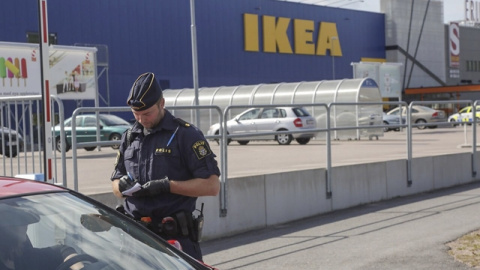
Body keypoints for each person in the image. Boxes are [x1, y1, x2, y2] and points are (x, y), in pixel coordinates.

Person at [111, 72, 220, 261]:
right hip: (134, 241)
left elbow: (212, 186)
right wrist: (120, 186)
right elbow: (115, 181)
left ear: (162, 103)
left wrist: (167, 185)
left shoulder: (185, 135)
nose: (141, 119)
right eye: (136, 114)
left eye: (147, 113)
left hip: (174, 243)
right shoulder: (129, 137)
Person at [0, 204, 83, 270]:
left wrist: (80, 267)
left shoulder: (23, 257)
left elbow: (62, 251)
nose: (26, 225)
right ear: (6, 228)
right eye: (20, 221)